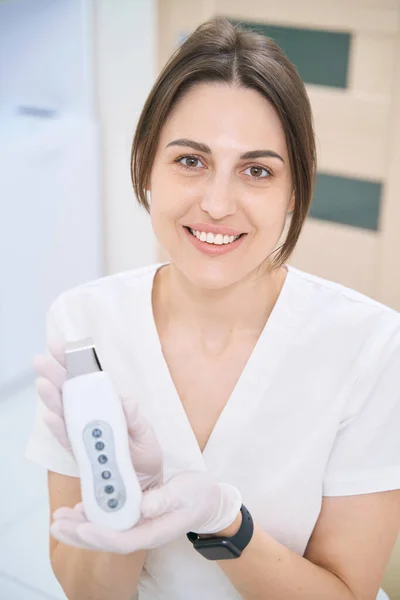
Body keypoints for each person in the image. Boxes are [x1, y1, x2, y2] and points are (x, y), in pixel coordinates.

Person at [25, 16, 400, 600]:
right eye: (191, 161)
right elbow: (91, 595)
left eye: (257, 170)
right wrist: (122, 510)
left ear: (295, 191)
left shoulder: (371, 346)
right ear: (147, 163)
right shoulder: (84, 327)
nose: (218, 204)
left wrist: (226, 521)